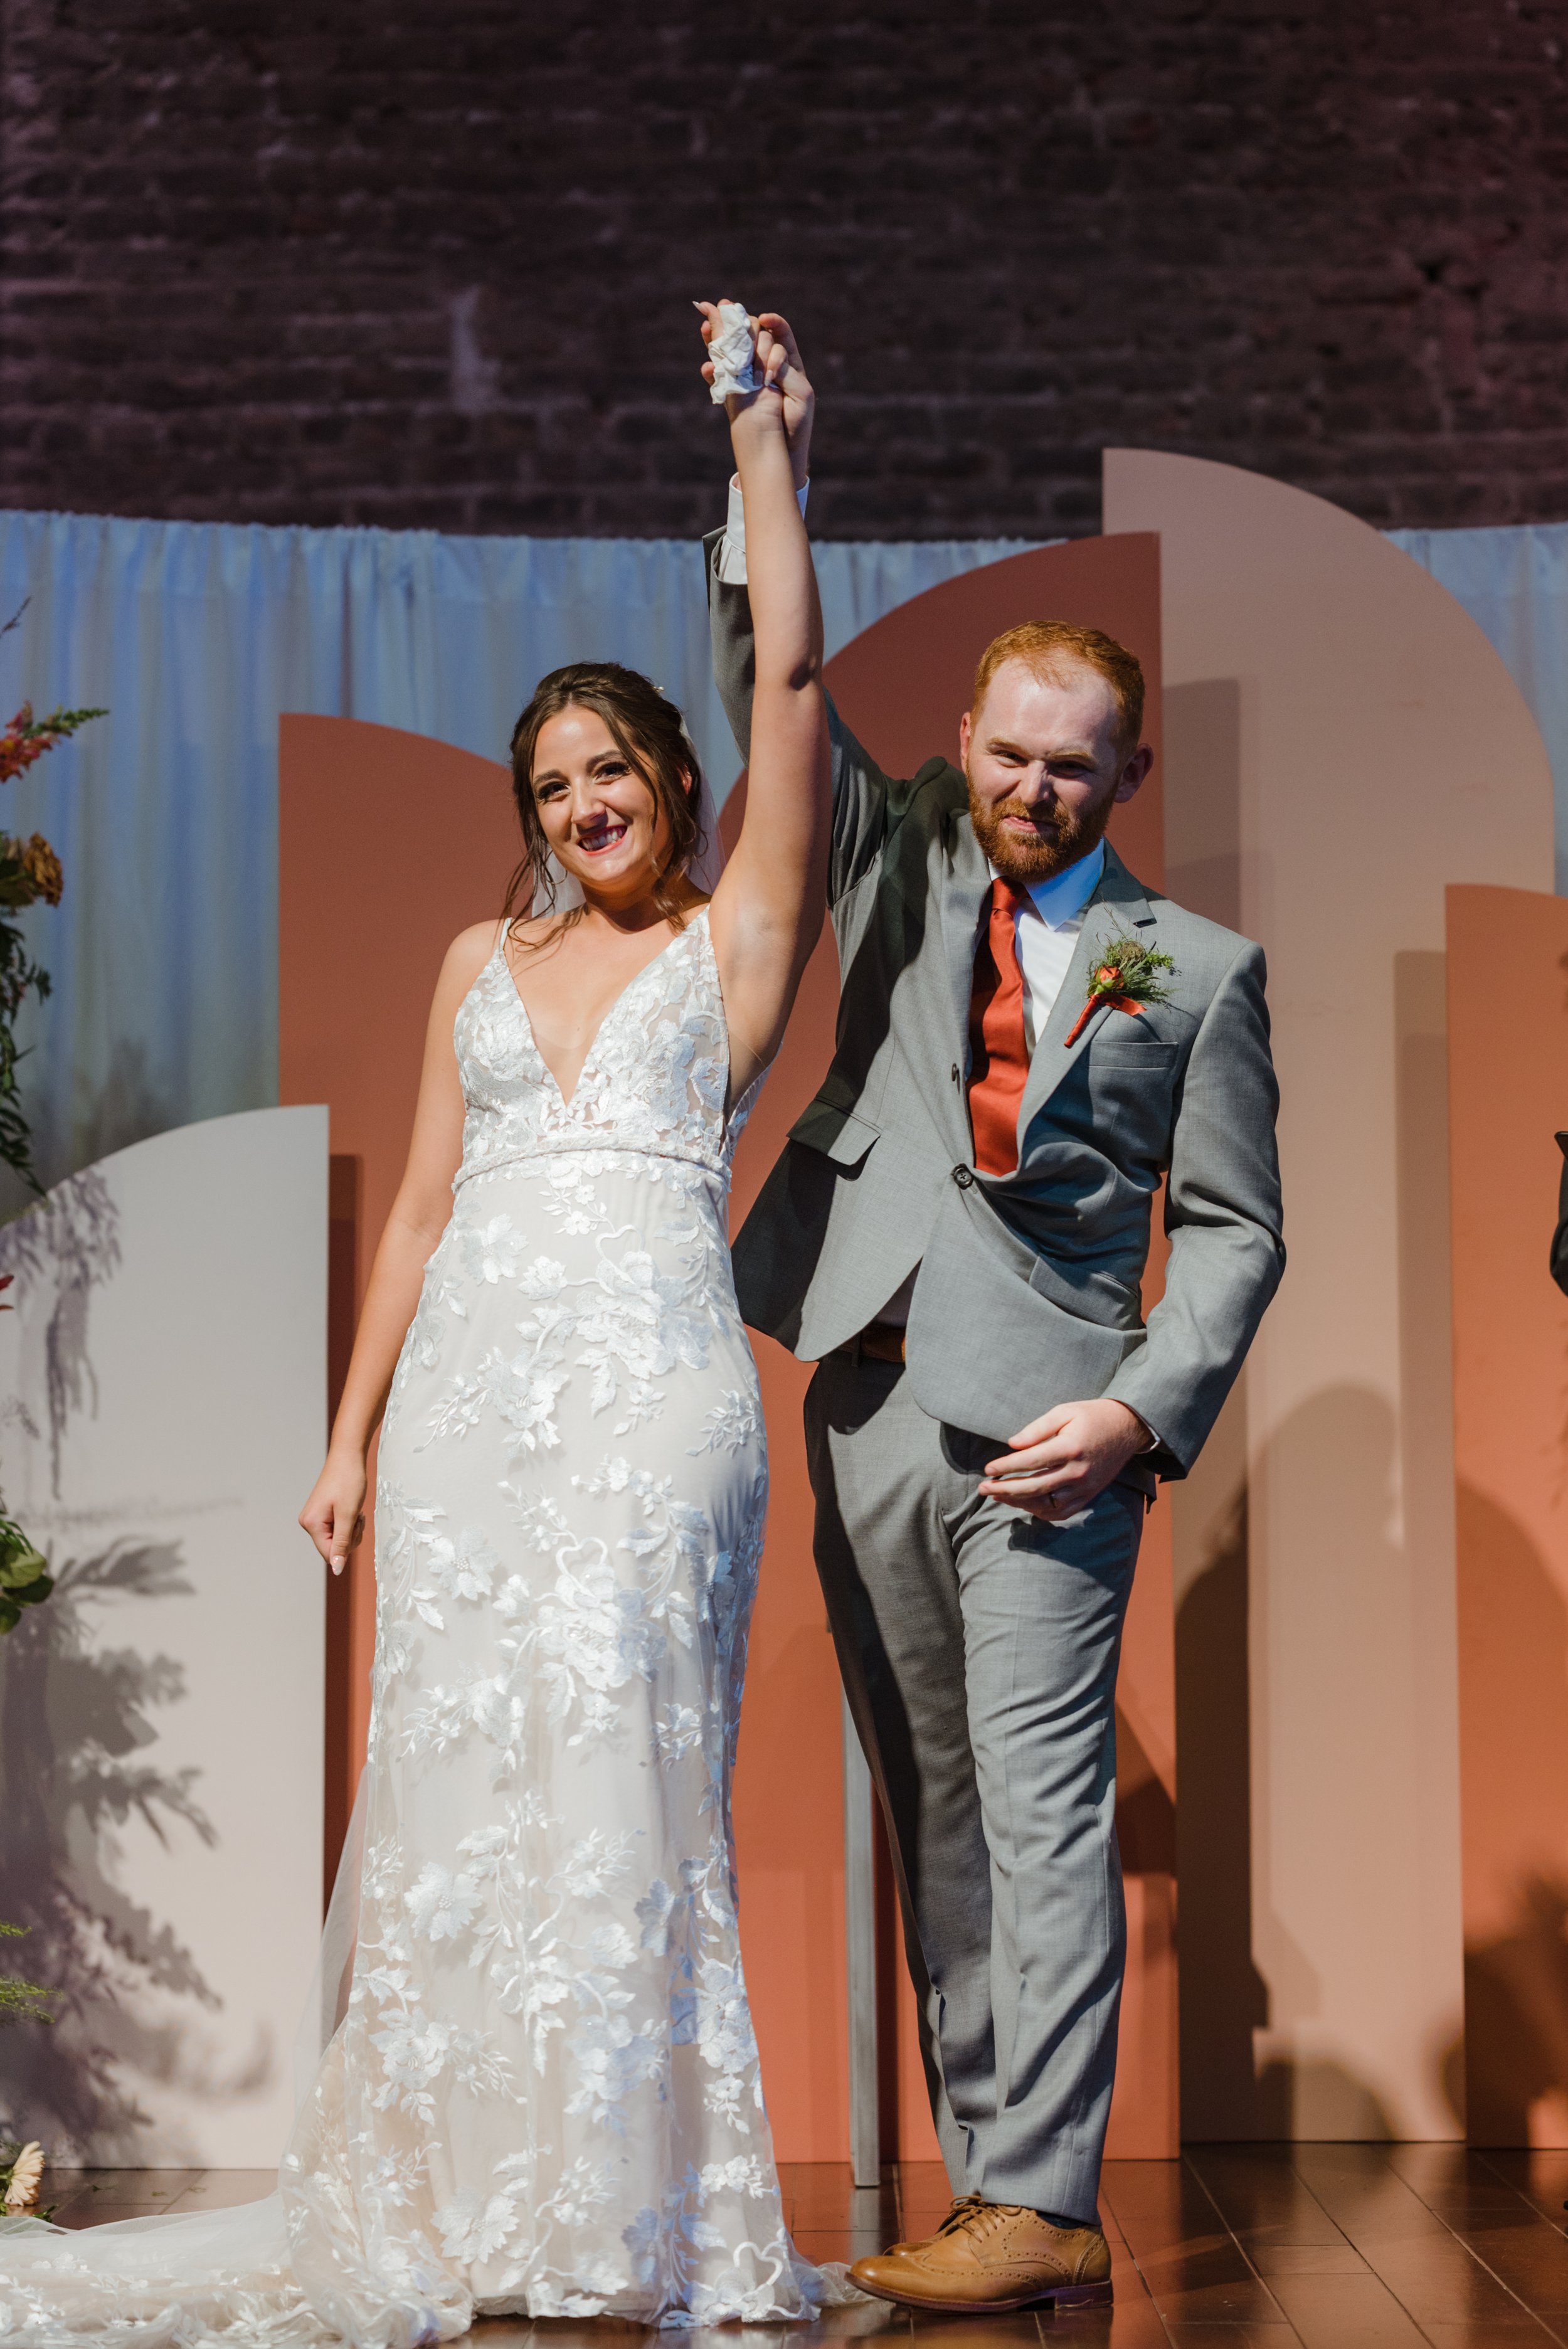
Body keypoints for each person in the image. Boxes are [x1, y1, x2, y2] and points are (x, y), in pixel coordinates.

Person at [0, 304, 835, 2340]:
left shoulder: (733, 943)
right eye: (549, 784)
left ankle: (623, 2202)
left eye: (608, 769)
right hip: (465, 1406)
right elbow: (422, 1212)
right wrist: (353, 1431)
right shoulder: (477, 951)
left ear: (665, 771)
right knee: (465, 1794)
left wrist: (764, 456)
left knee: (628, 1772)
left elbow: (796, 681)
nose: (579, 806)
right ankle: (459, 2197)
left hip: (648, 1393)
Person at [704, 314, 1285, 2315]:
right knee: (934, 1795)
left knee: (1039, 1810)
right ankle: (992, 2187)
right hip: (861, 1388)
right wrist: (768, 456)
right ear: (963, 746)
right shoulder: (898, 864)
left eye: (1073, 762)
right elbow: (768, 687)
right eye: (1007, 751)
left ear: (1130, 771)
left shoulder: (1189, 968)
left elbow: (1229, 1234)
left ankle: (1040, 2189)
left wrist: (1139, 1413)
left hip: (1054, 1434)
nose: (1035, 784)